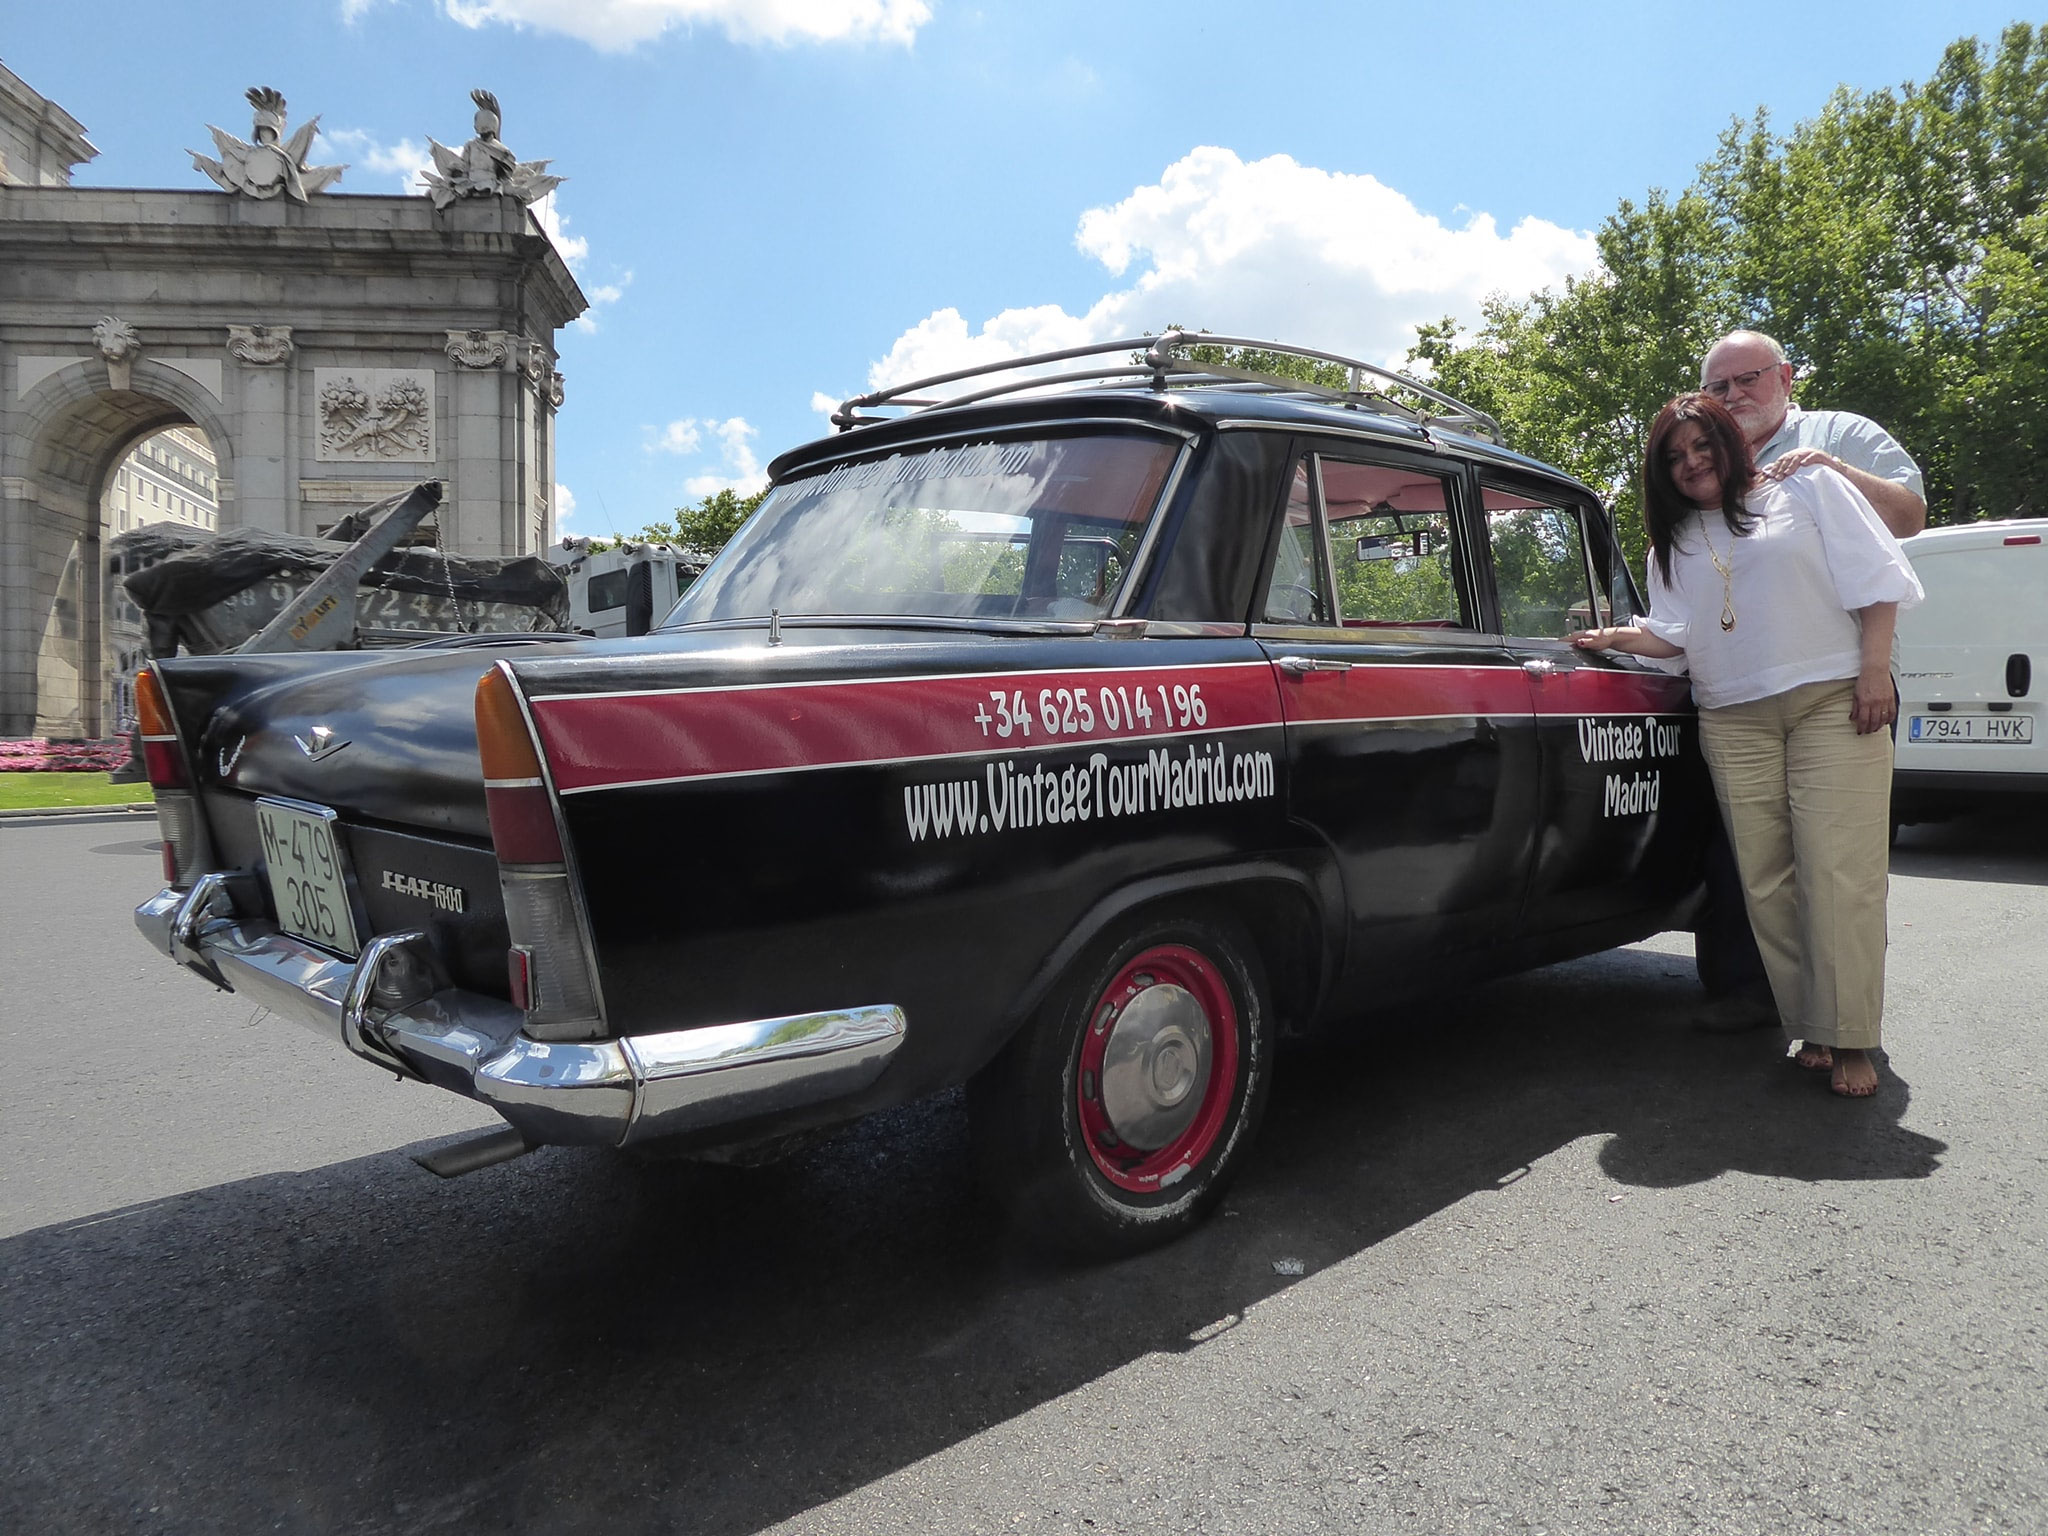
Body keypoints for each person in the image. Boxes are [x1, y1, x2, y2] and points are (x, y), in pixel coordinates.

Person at [1573, 394, 1922, 1098]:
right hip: (1732, 717)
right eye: (1674, 457)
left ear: (1730, 443)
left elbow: (1877, 580)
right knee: (1766, 882)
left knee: (1839, 874)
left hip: (1832, 701)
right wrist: (1610, 638)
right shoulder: (1670, 541)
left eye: (1703, 446)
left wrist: (1875, 671)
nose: (1691, 463)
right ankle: (1812, 1026)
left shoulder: (1807, 486)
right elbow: (1672, 634)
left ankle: (1853, 1036)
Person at [1690, 331, 1928, 1031]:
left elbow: (1910, 518)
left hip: (1845, 675)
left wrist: (1831, 470)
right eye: (1719, 387)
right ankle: (1750, 992)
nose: (1734, 396)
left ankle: (1841, 1015)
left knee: (1837, 859)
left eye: (1748, 379)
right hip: (1743, 687)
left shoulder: (1838, 436)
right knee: (1746, 855)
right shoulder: (1704, 457)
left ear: (1786, 377)